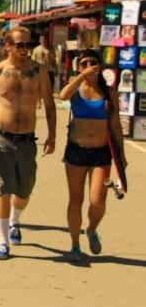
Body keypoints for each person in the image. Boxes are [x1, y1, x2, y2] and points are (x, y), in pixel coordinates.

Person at [0, 26, 56, 260]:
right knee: (3, 188)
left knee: (25, 189)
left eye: (28, 45)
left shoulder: (39, 71)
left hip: (27, 139)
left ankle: (15, 220)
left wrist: (52, 135)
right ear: (8, 46)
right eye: (20, 45)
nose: (25, 49)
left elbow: (50, 105)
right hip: (2, 137)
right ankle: (2, 241)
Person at [58, 49, 126, 261]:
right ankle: (75, 246)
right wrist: (80, 77)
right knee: (75, 199)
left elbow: (115, 126)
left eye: (93, 62)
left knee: (98, 201)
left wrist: (121, 156)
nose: (89, 66)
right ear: (79, 66)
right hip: (76, 151)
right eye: (84, 63)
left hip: (101, 153)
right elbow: (62, 96)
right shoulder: (76, 88)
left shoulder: (108, 92)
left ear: (100, 66)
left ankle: (92, 229)